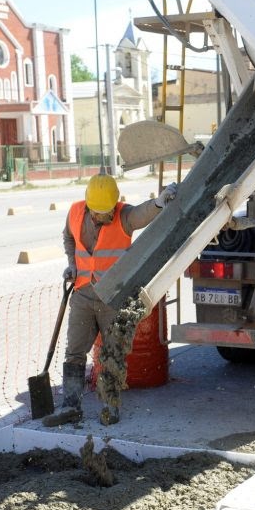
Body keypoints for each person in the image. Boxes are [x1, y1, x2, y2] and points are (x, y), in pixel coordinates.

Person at [42, 173, 177, 427]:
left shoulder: (124, 216)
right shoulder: (75, 212)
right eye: (95, 212)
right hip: (82, 293)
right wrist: (72, 264)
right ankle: (71, 406)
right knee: (74, 352)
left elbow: (142, 213)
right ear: (87, 204)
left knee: (112, 353)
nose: (98, 217)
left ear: (114, 206)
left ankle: (111, 407)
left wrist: (159, 203)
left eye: (104, 213)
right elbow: (68, 237)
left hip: (113, 299)